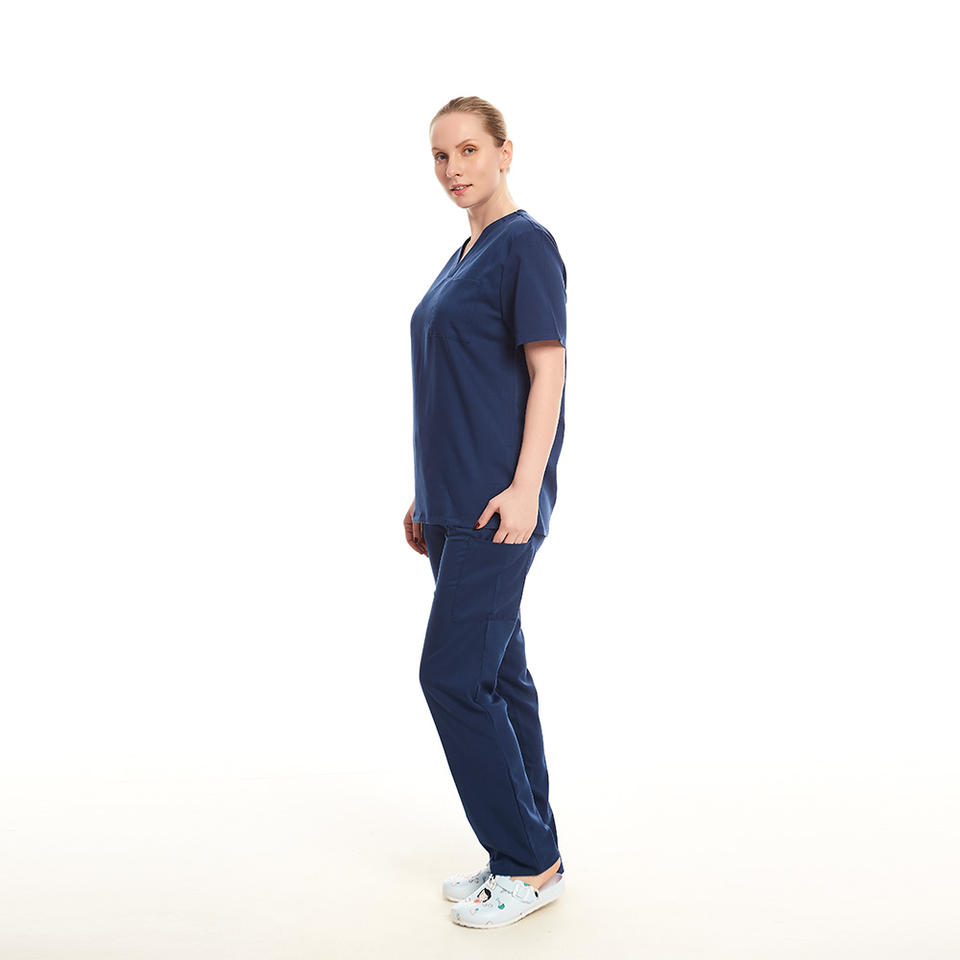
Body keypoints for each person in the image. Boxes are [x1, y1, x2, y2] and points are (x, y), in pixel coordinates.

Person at [404, 96, 568, 929]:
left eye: (469, 150)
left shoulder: (525, 245)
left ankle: (525, 864)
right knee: (500, 676)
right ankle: (532, 852)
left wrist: (526, 486)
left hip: (498, 508)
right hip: (452, 505)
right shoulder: (462, 254)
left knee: (452, 677)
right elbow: (459, 387)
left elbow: (547, 371)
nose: (453, 168)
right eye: (441, 155)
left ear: (505, 152)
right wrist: (425, 493)